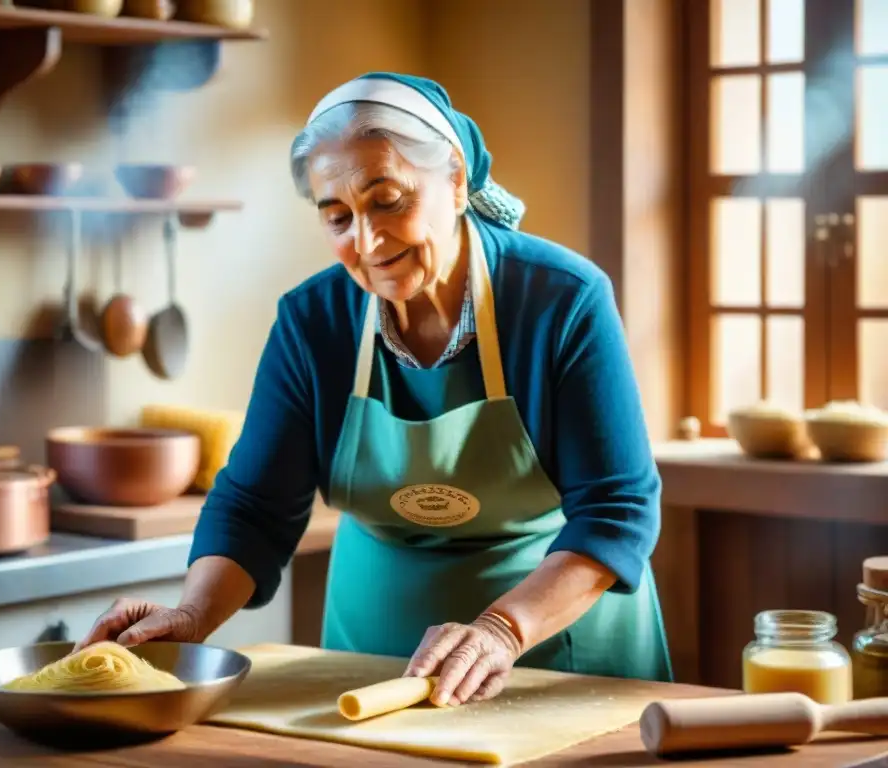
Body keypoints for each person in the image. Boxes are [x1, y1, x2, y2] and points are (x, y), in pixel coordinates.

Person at [76, 72, 672, 707]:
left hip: (559, 654)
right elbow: (254, 507)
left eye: (388, 201)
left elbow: (617, 509)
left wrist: (500, 630)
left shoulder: (562, 300)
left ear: (456, 180)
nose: (366, 242)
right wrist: (192, 616)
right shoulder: (312, 322)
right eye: (338, 217)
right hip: (373, 659)